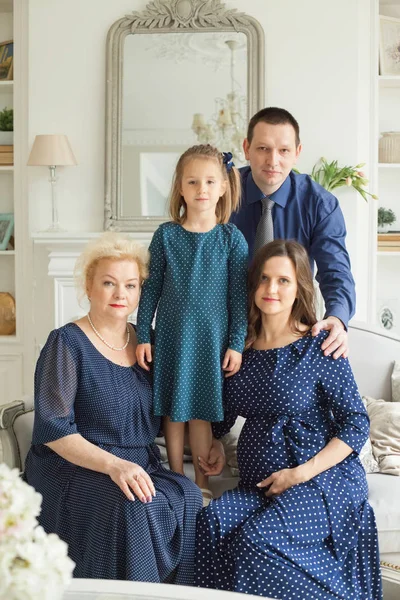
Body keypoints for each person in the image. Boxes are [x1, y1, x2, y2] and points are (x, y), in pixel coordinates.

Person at [195, 240, 382, 600]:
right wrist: (216, 443)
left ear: (299, 288)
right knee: (212, 523)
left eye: (283, 280)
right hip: (260, 484)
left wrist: (300, 473)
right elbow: (223, 417)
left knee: (256, 541)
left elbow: (356, 423)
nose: (271, 290)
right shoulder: (240, 350)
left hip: (320, 482)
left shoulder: (320, 343)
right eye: (264, 279)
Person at [24, 233, 203, 584]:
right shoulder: (67, 341)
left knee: (189, 494)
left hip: (137, 462)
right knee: (132, 506)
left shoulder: (146, 341)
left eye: (131, 285)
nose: (121, 294)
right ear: (89, 286)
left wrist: (203, 445)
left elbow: (171, 406)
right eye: (109, 283)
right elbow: (54, 428)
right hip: (74, 465)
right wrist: (114, 465)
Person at [136, 144, 248, 506]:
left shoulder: (231, 239)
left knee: (200, 411)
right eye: (193, 181)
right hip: (170, 337)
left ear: (222, 188)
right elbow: (150, 290)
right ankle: (174, 479)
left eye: (210, 181)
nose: (202, 188)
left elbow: (238, 298)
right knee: (173, 408)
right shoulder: (167, 235)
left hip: (210, 342)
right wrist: (142, 335)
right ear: (180, 188)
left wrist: (235, 342)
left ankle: (201, 483)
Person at [231, 106, 356, 360]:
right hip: (224, 333)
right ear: (247, 148)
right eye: (263, 148)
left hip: (289, 334)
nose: (273, 161)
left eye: (284, 150)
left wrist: (337, 318)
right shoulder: (222, 192)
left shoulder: (320, 204)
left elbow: (336, 272)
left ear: (297, 153)